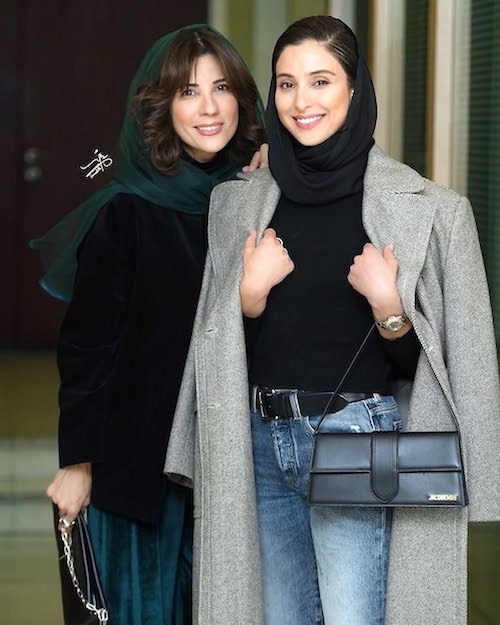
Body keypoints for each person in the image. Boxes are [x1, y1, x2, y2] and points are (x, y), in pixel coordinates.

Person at [165, 15, 500, 625]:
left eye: (321, 81)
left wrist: (390, 308)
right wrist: (248, 299)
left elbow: (446, 367)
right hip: (259, 441)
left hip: (357, 436)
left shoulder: (433, 210)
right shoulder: (238, 202)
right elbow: (217, 350)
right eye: (286, 84)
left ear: (354, 88)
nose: (302, 101)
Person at [31, 24, 266, 625]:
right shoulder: (125, 212)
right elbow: (87, 348)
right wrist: (77, 462)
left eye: (221, 88)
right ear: (163, 107)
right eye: (188, 92)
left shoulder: (254, 199)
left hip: (228, 463)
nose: (209, 107)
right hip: (137, 471)